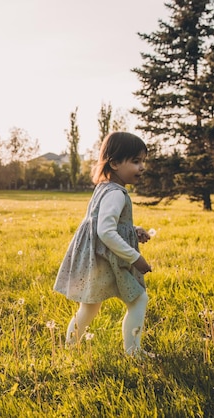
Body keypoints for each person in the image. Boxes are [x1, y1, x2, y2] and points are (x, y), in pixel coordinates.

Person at [53, 131, 153, 357]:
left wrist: (134, 230)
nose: (142, 167)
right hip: (108, 259)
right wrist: (135, 258)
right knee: (138, 299)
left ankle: (69, 348)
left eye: (143, 162)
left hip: (96, 258)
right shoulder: (116, 194)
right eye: (136, 161)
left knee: (89, 307)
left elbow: (108, 223)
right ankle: (133, 352)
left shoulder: (104, 188)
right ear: (115, 163)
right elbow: (106, 231)